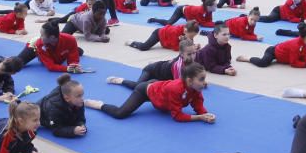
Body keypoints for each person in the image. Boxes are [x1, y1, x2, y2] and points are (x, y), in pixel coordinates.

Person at [85, 62, 215, 123]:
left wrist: (205, 114)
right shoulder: (176, 89)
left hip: (158, 87)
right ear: (189, 80)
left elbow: (198, 103)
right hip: (146, 92)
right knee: (120, 114)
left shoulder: (195, 88)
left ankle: (121, 80)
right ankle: (99, 104)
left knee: (139, 84)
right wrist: (199, 118)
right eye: (202, 79)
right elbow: (177, 116)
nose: (205, 82)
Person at [112, 37, 198, 85]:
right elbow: (178, 85)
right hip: (150, 70)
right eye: (189, 54)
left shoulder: (188, 57)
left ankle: (154, 63)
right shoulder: (178, 66)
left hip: (161, 68)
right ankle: (121, 80)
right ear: (181, 54)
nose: (193, 56)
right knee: (137, 86)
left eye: (194, 53)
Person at [236, 22, 306, 69]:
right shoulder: (296, 45)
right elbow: (293, 63)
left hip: (282, 51)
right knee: (263, 63)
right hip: (272, 52)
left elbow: (302, 57)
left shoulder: (304, 43)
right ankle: (247, 58)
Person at [17, 21, 85, 73]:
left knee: (79, 51)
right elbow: (50, 66)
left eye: (42, 35)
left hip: (58, 48)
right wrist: (66, 69)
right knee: (16, 63)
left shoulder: (70, 39)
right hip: (34, 48)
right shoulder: (39, 43)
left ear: (52, 37)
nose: (40, 37)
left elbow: (73, 61)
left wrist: (74, 66)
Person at [126, 20, 200, 51]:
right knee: (144, 47)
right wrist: (189, 48)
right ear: (185, 31)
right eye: (191, 36)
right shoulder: (175, 32)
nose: (192, 38)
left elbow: (188, 41)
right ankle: (132, 42)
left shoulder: (189, 28)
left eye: (193, 36)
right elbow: (174, 47)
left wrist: (194, 45)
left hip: (168, 34)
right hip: (158, 34)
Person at [147, 0, 217, 28]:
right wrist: (216, 24)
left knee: (193, 23)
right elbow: (203, 23)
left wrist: (214, 24)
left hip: (189, 11)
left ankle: (189, 18)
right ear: (209, 6)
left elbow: (209, 20)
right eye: (215, 5)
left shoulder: (209, 10)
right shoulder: (200, 11)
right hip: (181, 11)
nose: (216, 7)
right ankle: (154, 19)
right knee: (168, 23)